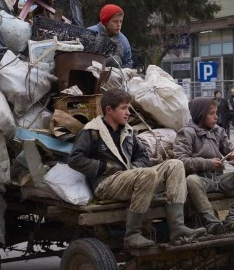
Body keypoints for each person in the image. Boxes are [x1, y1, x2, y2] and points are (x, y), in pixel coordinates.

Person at [68, 88, 204, 248]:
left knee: (175, 164)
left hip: (130, 177)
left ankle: (177, 228)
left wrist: (135, 168)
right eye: (123, 108)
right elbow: (75, 159)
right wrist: (104, 166)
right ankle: (132, 234)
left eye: (128, 108)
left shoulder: (128, 131)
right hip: (106, 183)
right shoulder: (92, 132)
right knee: (147, 174)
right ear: (109, 110)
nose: (128, 113)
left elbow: (143, 156)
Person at [173, 97, 234, 234]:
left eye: (216, 113)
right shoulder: (186, 132)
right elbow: (180, 161)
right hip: (200, 180)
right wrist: (208, 163)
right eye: (211, 113)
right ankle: (212, 223)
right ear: (200, 114)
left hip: (219, 179)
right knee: (191, 180)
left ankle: (233, 220)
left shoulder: (219, 131)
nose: (216, 117)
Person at [87, 4, 133, 68]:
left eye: (121, 21)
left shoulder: (123, 41)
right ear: (105, 22)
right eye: (115, 21)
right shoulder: (91, 33)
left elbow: (128, 64)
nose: (119, 25)